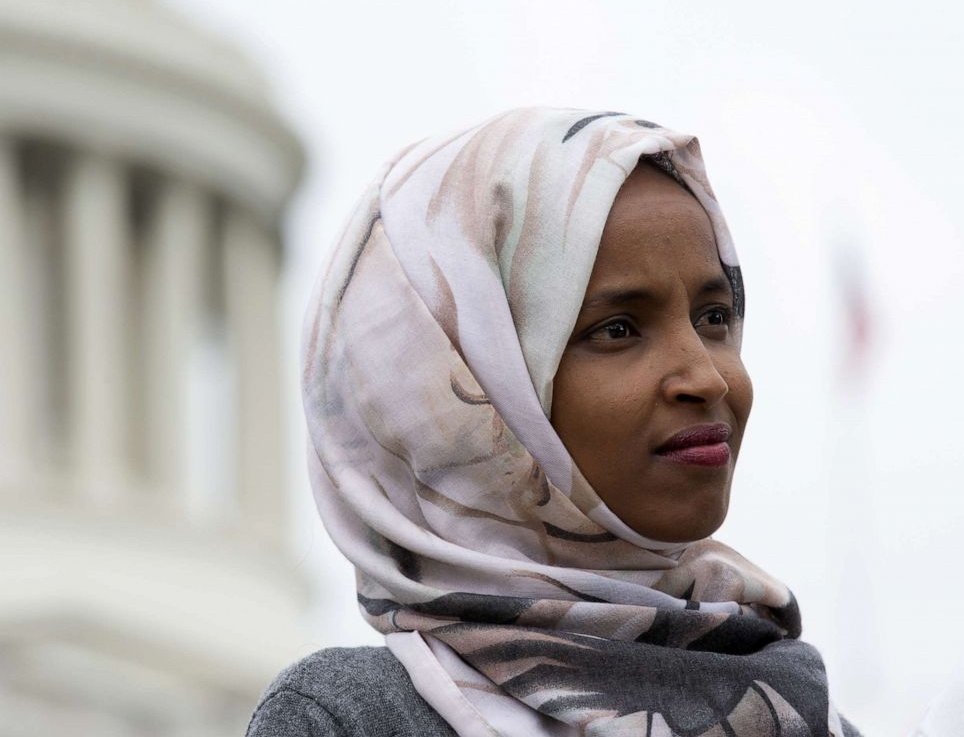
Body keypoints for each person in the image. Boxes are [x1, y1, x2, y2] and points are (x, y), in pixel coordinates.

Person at [246, 107, 861, 736]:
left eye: (714, 317)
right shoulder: (352, 721)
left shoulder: (811, 713)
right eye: (617, 329)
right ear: (469, 390)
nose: (706, 378)